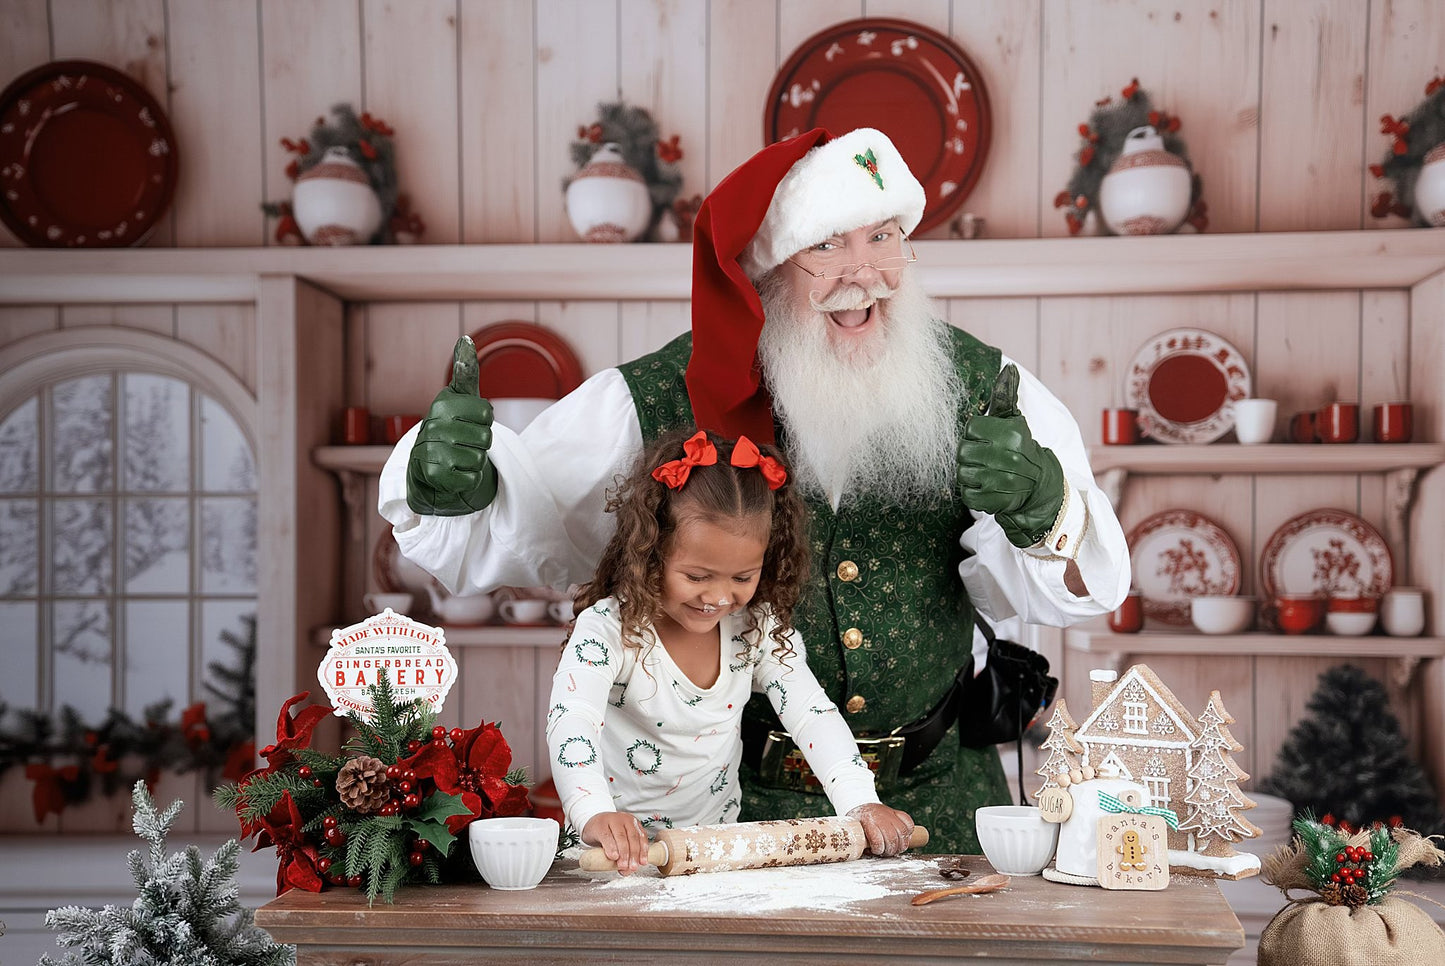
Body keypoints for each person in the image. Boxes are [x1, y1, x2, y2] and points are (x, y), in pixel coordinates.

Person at [380, 127, 1131, 853]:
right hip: (731, 823)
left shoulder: (981, 386)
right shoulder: (658, 395)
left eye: (882, 237)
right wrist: (451, 485)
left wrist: (1046, 507)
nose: (862, 271)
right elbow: (512, 525)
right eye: (826, 245)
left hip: (942, 804)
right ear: (766, 272)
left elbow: (1072, 588)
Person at [546, 427, 914, 873]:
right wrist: (593, 812)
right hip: (610, 858)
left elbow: (810, 713)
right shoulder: (609, 630)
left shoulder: (754, 628)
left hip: (710, 858)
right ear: (651, 553)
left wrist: (860, 799)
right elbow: (573, 720)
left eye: (742, 578)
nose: (719, 597)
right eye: (697, 577)